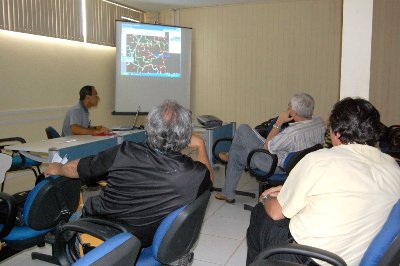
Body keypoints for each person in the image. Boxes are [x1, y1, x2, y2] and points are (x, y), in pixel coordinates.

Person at [246, 98, 400, 265]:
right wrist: (286, 190)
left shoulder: (319, 160)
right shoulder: (393, 166)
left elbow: (276, 213)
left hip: (310, 258)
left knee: (261, 213)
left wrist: (266, 197)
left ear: (337, 133)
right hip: (353, 259)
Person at [45, 100, 214, 247]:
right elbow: (209, 180)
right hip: (151, 239)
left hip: (99, 231)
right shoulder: (195, 174)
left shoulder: (124, 152)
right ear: (186, 135)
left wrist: (58, 168)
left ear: (149, 129)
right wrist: (200, 145)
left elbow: (78, 168)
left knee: (74, 214)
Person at [215, 93, 326, 203]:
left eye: (289, 105)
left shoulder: (292, 133)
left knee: (243, 129)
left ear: (294, 113)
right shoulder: (319, 122)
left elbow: (267, 146)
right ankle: (227, 192)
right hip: (298, 165)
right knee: (237, 154)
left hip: (274, 165)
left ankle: (229, 166)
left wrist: (279, 121)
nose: (287, 108)